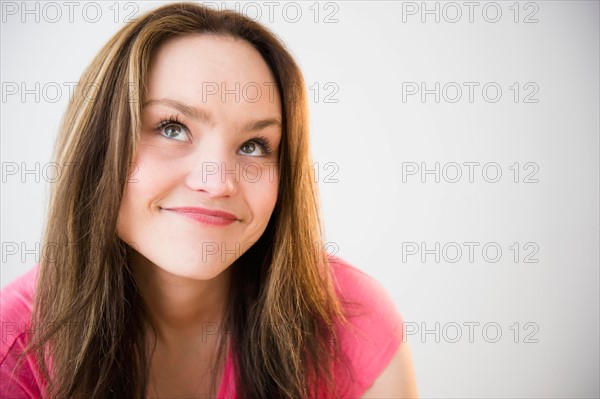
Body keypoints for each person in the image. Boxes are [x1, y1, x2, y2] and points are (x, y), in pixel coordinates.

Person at [0, 2, 418, 398]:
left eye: (254, 145)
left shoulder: (351, 319)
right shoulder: (13, 348)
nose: (218, 183)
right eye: (172, 128)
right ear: (98, 146)